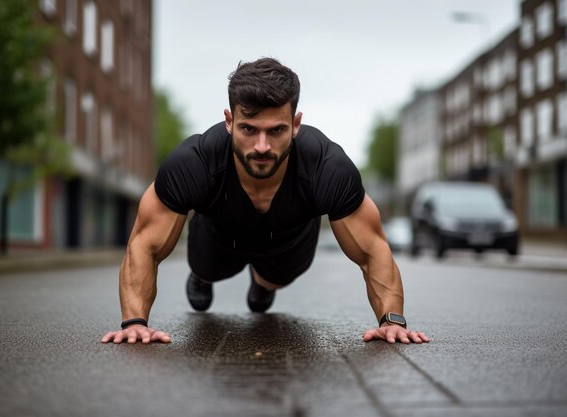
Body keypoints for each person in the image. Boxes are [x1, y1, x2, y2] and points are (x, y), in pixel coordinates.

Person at [101, 57, 429, 346]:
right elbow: (144, 244)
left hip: (288, 241)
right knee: (207, 270)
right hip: (217, 238)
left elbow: (373, 251)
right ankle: (202, 277)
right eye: (248, 128)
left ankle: (263, 283)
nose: (261, 146)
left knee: (269, 286)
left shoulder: (328, 168)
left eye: (275, 131)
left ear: (296, 125)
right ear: (229, 121)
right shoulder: (194, 162)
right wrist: (135, 324)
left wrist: (391, 322)